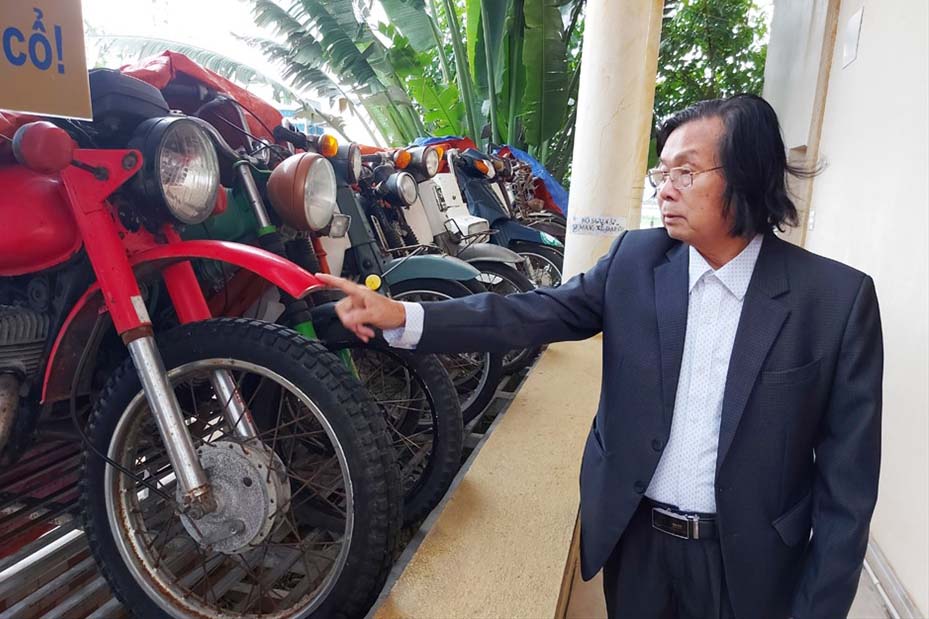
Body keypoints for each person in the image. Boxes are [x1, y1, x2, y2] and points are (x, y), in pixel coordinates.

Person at [317, 94, 883, 619]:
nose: (665, 188)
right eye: (662, 172)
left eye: (685, 172)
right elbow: (531, 312)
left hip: (751, 566)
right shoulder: (637, 261)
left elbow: (846, 497)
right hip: (638, 547)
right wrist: (405, 316)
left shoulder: (834, 302)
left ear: (749, 176)